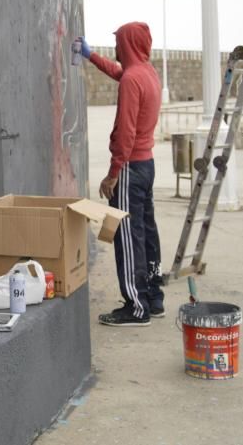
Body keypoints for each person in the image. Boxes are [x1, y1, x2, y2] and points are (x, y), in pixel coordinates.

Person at [79, 23, 163, 326]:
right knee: (147, 232)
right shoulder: (148, 73)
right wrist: (91, 56)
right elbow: (120, 73)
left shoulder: (132, 80)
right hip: (148, 165)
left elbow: (126, 134)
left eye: (118, 43)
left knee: (127, 237)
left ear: (128, 44)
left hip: (129, 167)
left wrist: (113, 173)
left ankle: (135, 307)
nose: (116, 49)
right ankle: (153, 298)